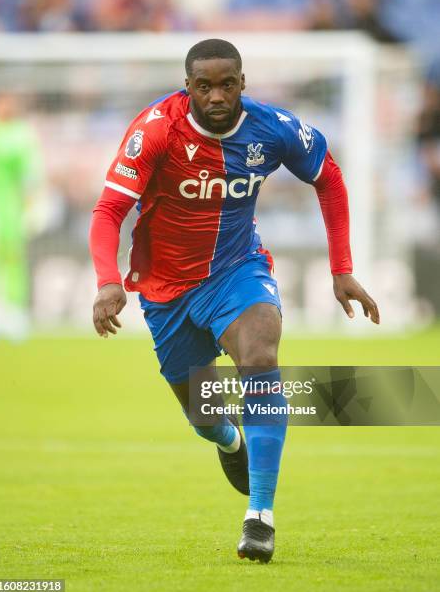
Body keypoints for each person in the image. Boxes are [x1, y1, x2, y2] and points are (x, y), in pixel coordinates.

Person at [89, 38, 380, 563]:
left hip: (237, 271)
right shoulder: (156, 130)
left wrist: (342, 270)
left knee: (261, 357)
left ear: (243, 83)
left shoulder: (273, 128)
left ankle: (260, 516)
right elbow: (109, 210)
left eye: (228, 84)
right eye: (205, 86)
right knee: (204, 416)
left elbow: (329, 177)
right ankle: (228, 440)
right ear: (189, 87)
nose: (217, 96)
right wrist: (109, 281)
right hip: (165, 289)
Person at [0, 93, 44, 340]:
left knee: (14, 260)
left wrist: (31, 209)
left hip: (12, 207)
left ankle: (14, 313)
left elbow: (30, 176)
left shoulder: (21, 135)